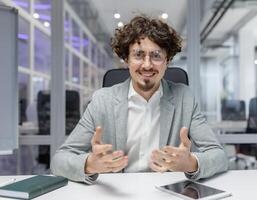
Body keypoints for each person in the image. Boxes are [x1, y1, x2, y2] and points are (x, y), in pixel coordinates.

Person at [51, 15, 228, 184]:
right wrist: (89, 164)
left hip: (166, 192)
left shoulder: (184, 98)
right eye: (138, 55)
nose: (147, 65)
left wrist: (192, 163)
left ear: (167, 60)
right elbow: (59, 160)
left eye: (156, 55)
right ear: (126, 59)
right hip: (118, 193)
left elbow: (219, 156)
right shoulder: (102, 100)